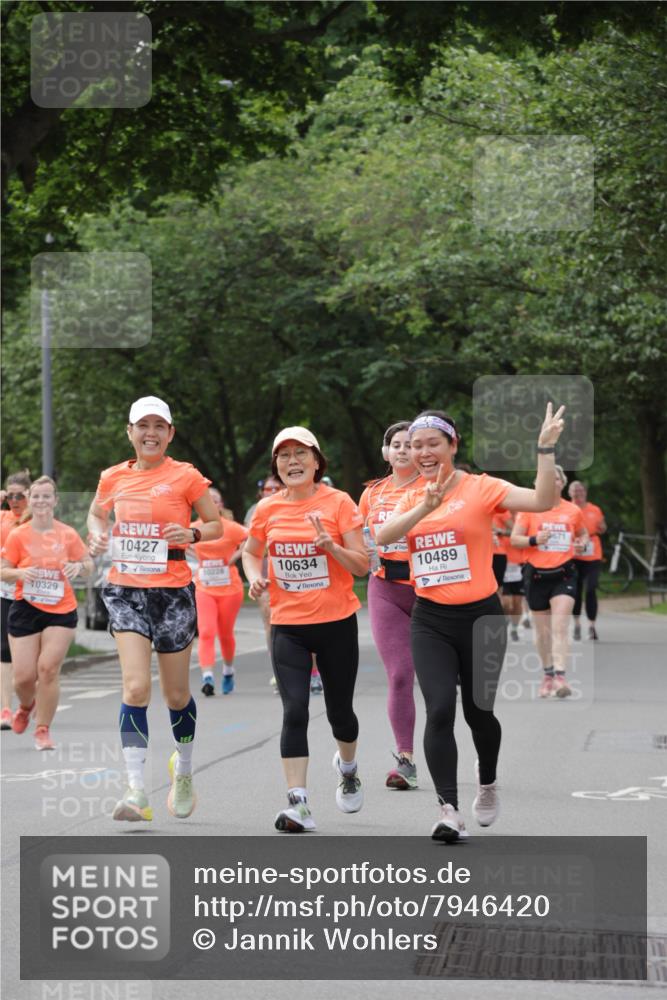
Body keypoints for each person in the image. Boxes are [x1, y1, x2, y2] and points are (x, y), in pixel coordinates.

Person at [376, 403, 566, 842]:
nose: (423, 452)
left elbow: (542, 500)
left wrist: (544, 449)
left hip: (481, 617)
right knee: (439, 709)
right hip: (431, 620)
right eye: (416, 445)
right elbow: (384, 539)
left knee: (479, 712)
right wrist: (425, 507)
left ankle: (487, 782)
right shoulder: (411, 496)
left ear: (452, 446)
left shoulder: (481, 488)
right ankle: (448, 810)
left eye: (432, 444)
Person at [87, 396, 221, 822]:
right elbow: (96, 513)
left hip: (173, 591)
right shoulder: (112, 477)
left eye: (158, 426)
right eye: (142, 425)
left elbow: (215, 523)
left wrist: (194, 532)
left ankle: (183, 771)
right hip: (126, 590)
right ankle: (136, 790)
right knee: (135, 689)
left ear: (170, 434)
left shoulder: (185, 476)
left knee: (177, 695)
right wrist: (97, 534)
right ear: (129, 432)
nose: (150, 433)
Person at [242, 426, 368, 833]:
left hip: (335, 623)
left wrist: (330, 546)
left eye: (301, 454)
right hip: (288, 625)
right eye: (283, 456)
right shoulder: (267, 510)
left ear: (317, 461)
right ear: (276, 466)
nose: (292, 462)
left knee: (340, 715)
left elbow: (362, 565)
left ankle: (347, 769)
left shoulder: (339, 503)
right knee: (294, 710)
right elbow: (250, 551)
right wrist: (253, 577)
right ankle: (299, 804)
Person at [1, 476, 93, 750]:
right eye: (36, 496)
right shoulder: (19, 534)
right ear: (30, 499)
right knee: (23, 677)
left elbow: (88, 564)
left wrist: (80, 568)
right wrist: (20, 572)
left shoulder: (66, 534)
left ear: (55, 500)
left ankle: (43, 729)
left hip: (60, 610)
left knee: (48, 670)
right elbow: (3, 571)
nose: (41, 501)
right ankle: (26, 706)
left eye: (46, 496)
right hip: (26, 608)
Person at [358, 421, 422, 790]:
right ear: (386, 452)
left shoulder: (433, 490)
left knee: (439, 682)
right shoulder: (372, 494)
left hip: (429, 590)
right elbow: (361, 539)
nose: (402, 450)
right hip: (385, 587)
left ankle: (477, 751)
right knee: (400, 675)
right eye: (395, 444)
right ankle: (405, 759)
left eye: (410, 444)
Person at [511, 465, 588, 700]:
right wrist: (535, 539)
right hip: (536, 575)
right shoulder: (529, 510)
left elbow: (583, 534)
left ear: (562, 483)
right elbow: (515, 539)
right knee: (542, 632)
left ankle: (561, 677)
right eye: (545, 477)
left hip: (564, 573)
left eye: (555, 478)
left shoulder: (572, 511)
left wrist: (582, 543)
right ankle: (547, 674)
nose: (550, 481)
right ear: (537, 483)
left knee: (560, 624)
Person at [191, 487, 248, 695]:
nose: (212, 504)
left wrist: (233, 558)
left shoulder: (231, 528)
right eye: (207, 500)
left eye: (215, 500)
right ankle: (207, 677)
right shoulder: (194, 528)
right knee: (206, 632)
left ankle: (228, 670)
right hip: (204, 586)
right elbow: (178, 541)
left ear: (220, 505)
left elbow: (252, 540)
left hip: (229, 588)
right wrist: (197, 557)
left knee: (225, 634)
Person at [0, 470, 31, 729]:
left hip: (35, 597)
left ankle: (29, 703)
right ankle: (5, 710)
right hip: (6, 594)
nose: (15, 500)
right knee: (4, 652)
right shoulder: (3, 518)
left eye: (20, 495)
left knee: (33, 661)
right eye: (10, 496)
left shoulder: (38, 520)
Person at [568, 480, 606, 641]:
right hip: (574, 555)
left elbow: (603, 527)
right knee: (575, 590)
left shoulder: (594, 509)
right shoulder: (566, 509)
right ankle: (576, 623)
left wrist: (602, 527)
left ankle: (591, 626)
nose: (578, 494)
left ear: (585, 493)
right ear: (570, 493)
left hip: (593, 554)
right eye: (575, 491)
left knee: (591, 589)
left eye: (581, 491)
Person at [500, 516, 526, 642]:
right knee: (506, 603)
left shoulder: (523, 521)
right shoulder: (501, 523)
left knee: (517, 603)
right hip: (504, 566)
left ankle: (514, 629)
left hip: (518, 567)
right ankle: (504, 621)